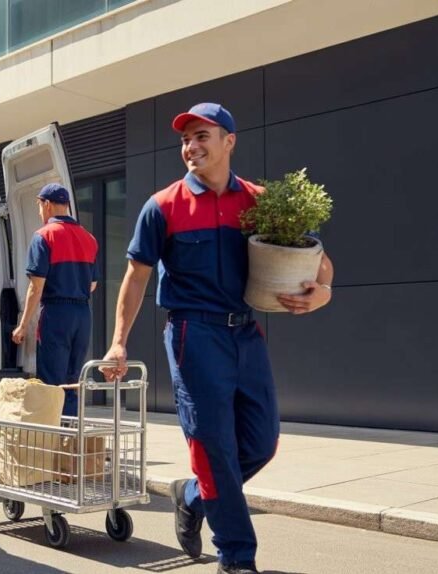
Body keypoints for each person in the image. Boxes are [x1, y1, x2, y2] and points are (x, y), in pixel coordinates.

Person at [102, 103, 334, 574]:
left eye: (202, 136)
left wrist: (323, 290)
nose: (191, 146)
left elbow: (316, 255)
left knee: (261, 441)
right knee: (214, 446)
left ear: (229, 141)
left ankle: (192, 495)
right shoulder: (163, 205)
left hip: (245, 332)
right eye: (186, 139)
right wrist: (118, 341)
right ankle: (237, 558)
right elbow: (135, 277)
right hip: (193, 334)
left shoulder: (260, 202)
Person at [12, 183, 99, 417]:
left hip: (57, 313)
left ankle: (51, 443)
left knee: (51, 382)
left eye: (39, 206)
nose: (40, 212)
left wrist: (22, 325)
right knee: (72, 381)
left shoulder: (43, 236)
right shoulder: (89, 238)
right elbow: (93, 284)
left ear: (47, 205)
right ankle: (69, 440)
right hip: (82, 314)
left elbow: (36, 287)